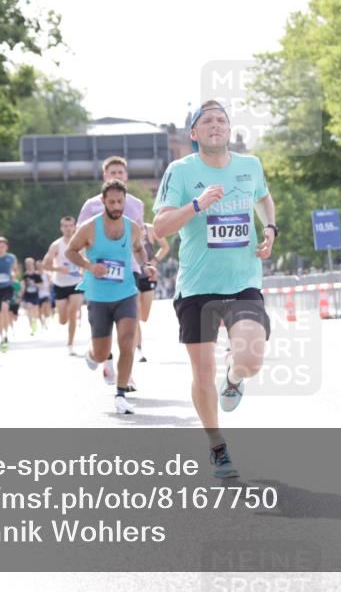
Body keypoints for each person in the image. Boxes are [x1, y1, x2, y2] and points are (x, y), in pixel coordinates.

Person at [153, 100, 277, 478]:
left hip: (243, 281)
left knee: (250, 359)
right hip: (197, 286)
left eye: (221, 119)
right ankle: (217, 446)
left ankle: (234, 378)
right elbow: (160, 228)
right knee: (202, 371)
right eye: (207, 121)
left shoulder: (250, 165)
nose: (216, 125)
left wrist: (270, 228)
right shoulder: (180, 171)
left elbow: (263, 198)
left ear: (229, 128)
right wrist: (196, 204)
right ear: (194, 133)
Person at [66, 179, 157, 415]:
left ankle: (121, 394)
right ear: (103, 201)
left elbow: (139, 248)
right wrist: (89, 266)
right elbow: (70, 251)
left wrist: (146, 265)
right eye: (112, 202)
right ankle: (92, 355)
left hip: (126, 293)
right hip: (98, 297)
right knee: (100, 352)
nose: (117, 206)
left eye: (120, 202)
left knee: (127, 342)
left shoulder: (132, 227)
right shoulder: (90, 227)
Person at [78, 156, 146, 386]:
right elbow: (80, 240)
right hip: (99, 272)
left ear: (126, 176)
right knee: (104, 326)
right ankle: (103, 358)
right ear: (105, 176)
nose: (117, 175)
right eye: (112, 172)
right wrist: (87, 268)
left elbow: (138, 239)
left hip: (129, 269)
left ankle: (127, 374)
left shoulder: (136, 204)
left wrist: (146, 264)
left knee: (130, 321)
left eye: (120, 172)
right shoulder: (91, 205)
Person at [42, 216, 84, 355]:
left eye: (70, 225)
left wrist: (83, 270)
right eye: (65, 226)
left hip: (76, 282)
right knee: (63, 320)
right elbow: (45, 265)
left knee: (73, 312)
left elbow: (87, 260)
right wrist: (58, 269)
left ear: (74, 227)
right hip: (60, 284)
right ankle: (61, 318)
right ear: (61, 228)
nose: (68, 228)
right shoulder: (56, 245)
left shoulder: (80, 244)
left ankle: (70, 344)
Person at [135, 222, 170, 361]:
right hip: (132, 276)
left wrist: (154, 261)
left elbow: (165, 246)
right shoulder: (125, 227)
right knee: (135, 314)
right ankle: (139, 349)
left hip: (148, 277)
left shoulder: (149, 229)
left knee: (143, 316)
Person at [0, 237, 18, 352]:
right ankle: (2, 336)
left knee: (5, 307)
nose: (0, 249)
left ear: (6, 247)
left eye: (3, 247)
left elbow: (15, 269)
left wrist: (13, 274)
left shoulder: (11, 257)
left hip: (7, 288)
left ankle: (6, 334)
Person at [21, 257, 43, 334]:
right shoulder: (24, 275)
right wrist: (21, 296)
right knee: (29, 309)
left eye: (30, 264)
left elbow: (41, 285)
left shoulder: (36, 275)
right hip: (27, 295)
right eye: (27, 264)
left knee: (35, 311)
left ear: (33, 264)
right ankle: (32, 327)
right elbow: (22, 286)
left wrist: (34, 284)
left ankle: (34, 323)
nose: (29, 265)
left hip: (35, 295)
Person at [35, 259, 52, 328]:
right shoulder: (35, 274)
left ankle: (46, 321)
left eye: (40, 265)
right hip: (37, 294)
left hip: (46, 294)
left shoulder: (46, 274)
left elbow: (50, 283)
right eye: (38, 265)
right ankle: (42, 323)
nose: (39, 266)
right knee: (39, 311)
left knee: (45, 308)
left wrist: (49, 292)